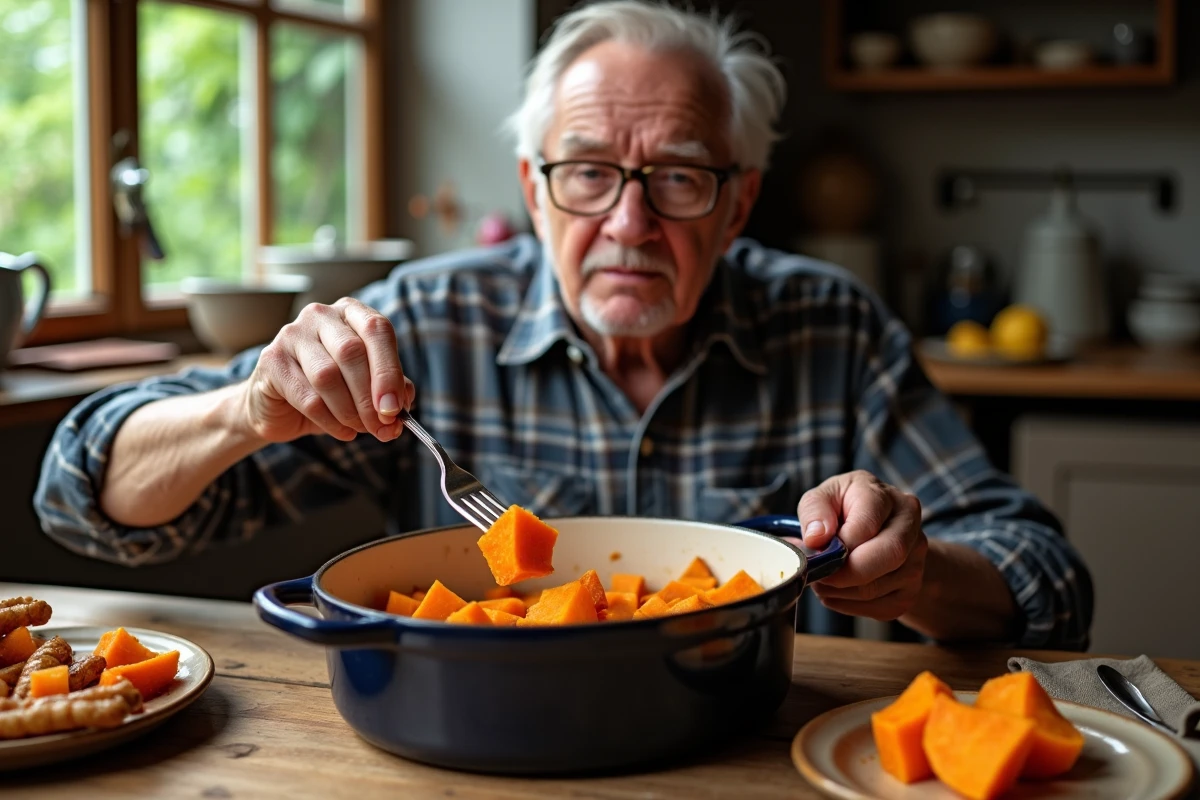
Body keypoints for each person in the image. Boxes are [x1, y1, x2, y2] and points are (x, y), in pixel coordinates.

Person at [34, 0, 1091, 649]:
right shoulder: (428, 322)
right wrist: (247, 409)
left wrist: (916, 572)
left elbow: (1046, 578)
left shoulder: (831, 324)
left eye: (678, 177)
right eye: (588, 173)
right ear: (534, 193)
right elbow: (82, 498)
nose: (628, 223)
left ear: (737, 203)